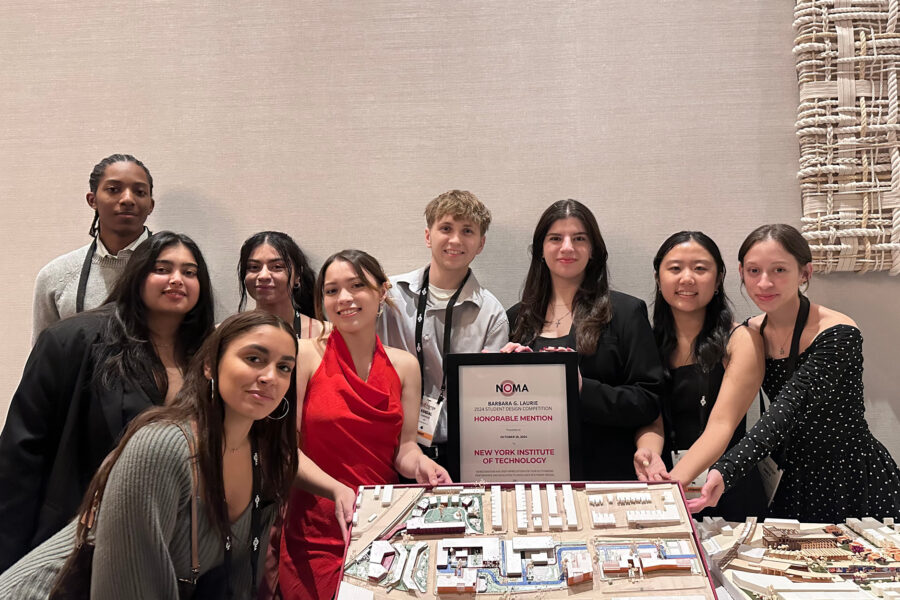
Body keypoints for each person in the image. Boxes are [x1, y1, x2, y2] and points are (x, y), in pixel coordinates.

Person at [0, 311, 303, 598]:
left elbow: (239, 581)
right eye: (254, 358)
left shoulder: (264, 460)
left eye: (284, 367)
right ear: (210, 364)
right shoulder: (163, 447)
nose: (269, 377)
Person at [0, 232, 215, 572]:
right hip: (79, 533)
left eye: (190, 272)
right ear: (138, 274)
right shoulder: (74, 339)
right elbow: (21, 453)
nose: (177, 279)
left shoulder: (209, 354)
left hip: (172, 537)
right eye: (163, 268)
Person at [689, 224, 900, 522]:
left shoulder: (838, 334)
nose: (764, 283)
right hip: (790, 475)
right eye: (753, 271)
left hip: (847, 475)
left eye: (779, 270)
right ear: (740, 271)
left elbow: (786, 410)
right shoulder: (750, 332)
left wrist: (726, 470)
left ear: (805, 273)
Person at [281, 249, 452, 600]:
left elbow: (404, 449)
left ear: (382, 291)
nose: (344, 298)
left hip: (381, 526)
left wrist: (424, 464)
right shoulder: (303, 354)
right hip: (313, 530)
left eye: (356, 285)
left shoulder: (404, 365)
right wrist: (337, 490)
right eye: (331, 290)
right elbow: (285, 451)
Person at [503, 199, 664, 481]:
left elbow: (649, 401)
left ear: (593, 251)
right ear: (541, 249)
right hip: (534, 474)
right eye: (555, 238)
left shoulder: (626, 312)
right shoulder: (516, 318)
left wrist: (580, 389)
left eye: (579, 238)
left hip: (608, 476)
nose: (567, 247)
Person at [632, 231, 767, 521]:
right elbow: (651, 414)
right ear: (659, 278)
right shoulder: (647, 340)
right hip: (666, 482)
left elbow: (722, 425)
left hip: (725, 485)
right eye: (675, 268)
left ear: (718, 279)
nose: (687, 278)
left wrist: (672, 486)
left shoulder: (741, 339)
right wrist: (648, 453)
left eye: (700, 268)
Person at [377, 190, 509, 466]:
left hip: (461, 452)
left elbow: (491, 399)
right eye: (446, 228)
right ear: (428, 236)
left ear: (481, 243)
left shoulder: (492, 313)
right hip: (389, 446)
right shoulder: (390, 295)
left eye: (467, 231)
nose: (455, 240)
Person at [32, 154, 155, 344]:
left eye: (139, 192)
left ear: (151, 205)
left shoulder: (180, 272)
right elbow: (44, 360)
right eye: (114, 190)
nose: (128, 199)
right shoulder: (56, 276)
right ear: (92, 200)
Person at [238, 231, 327, 339]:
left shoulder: (325, 334)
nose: (263, 276)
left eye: (277, 266)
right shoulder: (226, 334)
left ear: (298, 275)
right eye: (254, 267)